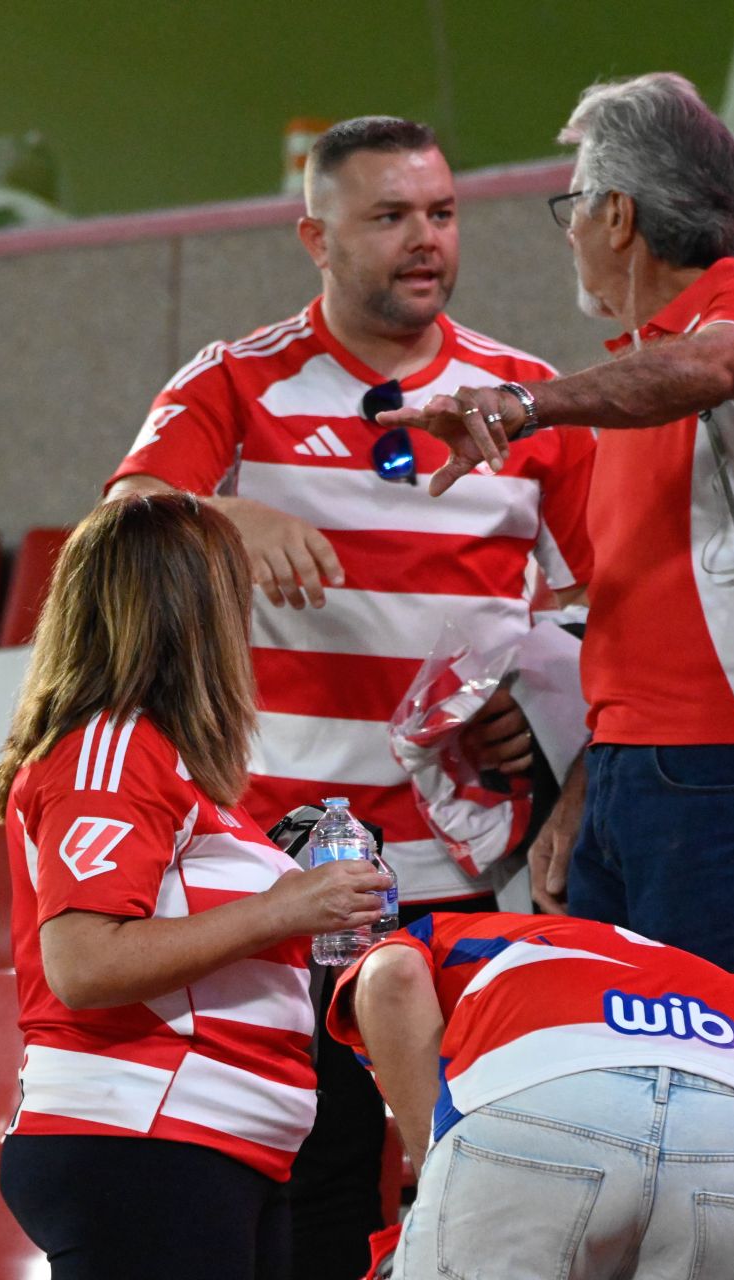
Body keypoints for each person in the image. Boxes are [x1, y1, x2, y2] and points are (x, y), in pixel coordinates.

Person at [103, 116, 596, 1278]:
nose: (425, 241)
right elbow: (119, 523)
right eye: (389, 217)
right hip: (286, 881)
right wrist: (229, 513)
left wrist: (546, 716)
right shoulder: (233, 378)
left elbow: (592, 609)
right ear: (314, 235)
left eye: (441, 212)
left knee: (482, 1183)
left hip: (472, 873)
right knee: (314, 1189)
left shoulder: (526, 397)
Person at [382, 73, 734, 1018]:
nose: (572, 233)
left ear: (618, 215)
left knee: (718, 1097)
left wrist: (524, 406)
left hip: (724, 771)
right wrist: (583, 790)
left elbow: (708, 368)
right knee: (621, 1087)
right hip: (629, 772)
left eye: (573, 205)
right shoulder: (632, 373)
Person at [0, 493, 393, 1280]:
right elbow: (84, 963)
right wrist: (282, 907)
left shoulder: (165, 763)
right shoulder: (110, 748)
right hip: (149, 1134)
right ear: (189, 610)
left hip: (211, 1143)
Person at [330, 911, 734, 1278]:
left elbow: (391, 975)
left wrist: (437, 1184)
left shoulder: (434, 935)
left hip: (550, 1076)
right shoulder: (700, 974)